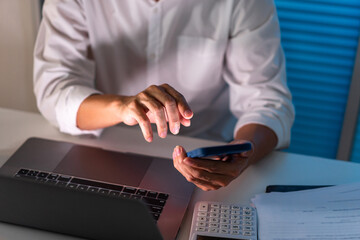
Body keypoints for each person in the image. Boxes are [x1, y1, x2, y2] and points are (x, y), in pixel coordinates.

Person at [34, 0, 295, 191]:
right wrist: (121, 107)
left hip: (207, 155)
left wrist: (242, 153)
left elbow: (268, 101)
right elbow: (54, 88)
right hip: (105, 147)